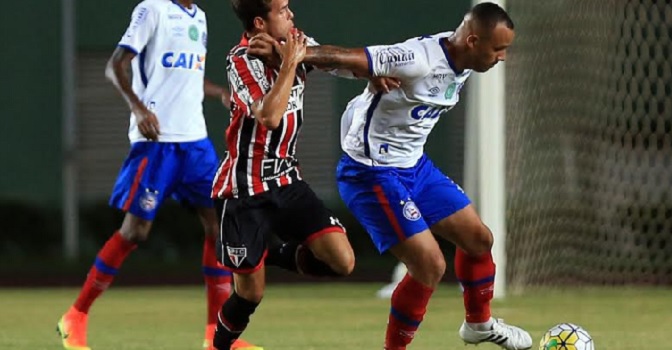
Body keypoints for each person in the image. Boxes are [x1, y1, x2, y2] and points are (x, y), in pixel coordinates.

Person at [248, 2, 532, 349]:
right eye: (498, 49)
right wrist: (287, 52)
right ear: (473, 41)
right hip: (371, 173)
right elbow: (345, 56)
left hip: (414, 166)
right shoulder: (418, 58)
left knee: (479, 240)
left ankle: (480, 324)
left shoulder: (466, 58)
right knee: (429, 264)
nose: (502, 57)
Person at [55, 1, 262, 349]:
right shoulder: (152, 9)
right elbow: (115, 66)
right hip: (157, 144)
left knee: (219, 225)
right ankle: (75, 316)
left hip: (195, 144)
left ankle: (216, 336)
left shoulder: (200, 18)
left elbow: (187, 79)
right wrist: (138, 109)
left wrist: (221, 94)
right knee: (135, 232)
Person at [210, 0, 389, 348]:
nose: (291, 15)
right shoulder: (241, 60)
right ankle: (218, 346)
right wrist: (290, 61)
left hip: (287, 181)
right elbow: (269, 116)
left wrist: (369, 71)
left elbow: (332, 59)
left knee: (342, 261)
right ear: (260, 22)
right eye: (282, 9)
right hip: (243, 190)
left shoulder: (293, 42)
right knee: (250, 295)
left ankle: (271, 253)